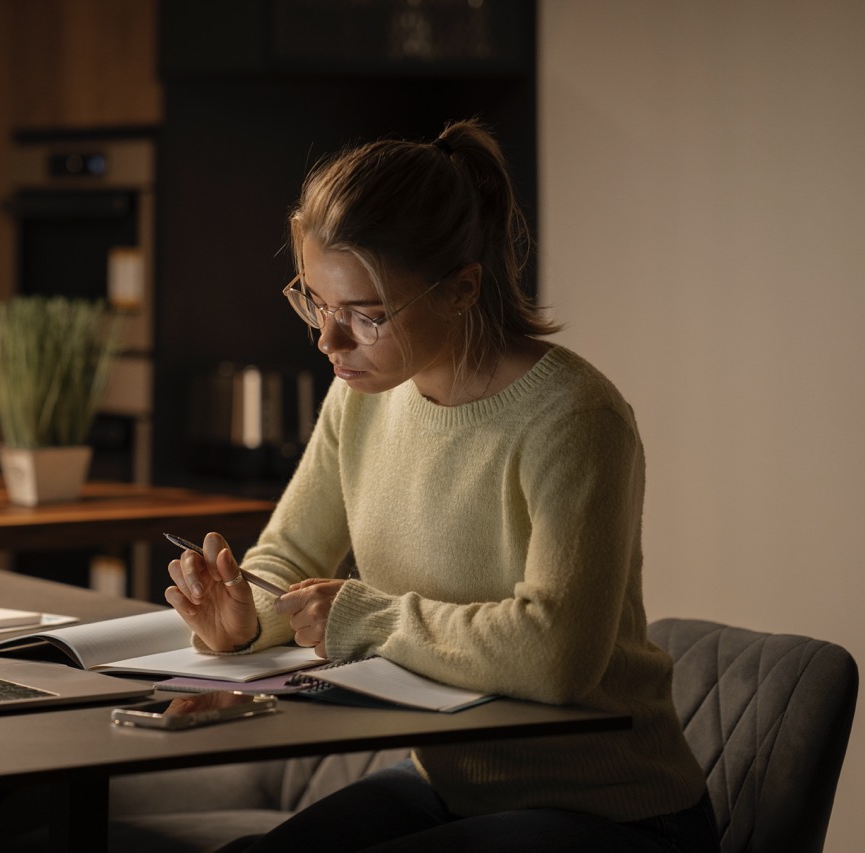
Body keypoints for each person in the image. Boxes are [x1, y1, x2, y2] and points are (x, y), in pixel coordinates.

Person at [163, 119, 717, 852]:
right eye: (317, 304)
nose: (329, 342)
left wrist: (364, 618)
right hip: (454, 784)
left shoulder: (575, 418)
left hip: (613, 810)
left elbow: (556, 654)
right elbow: (286, 559)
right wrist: (244, 617)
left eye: (366, 314)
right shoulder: (358, 396)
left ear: (460, 290)